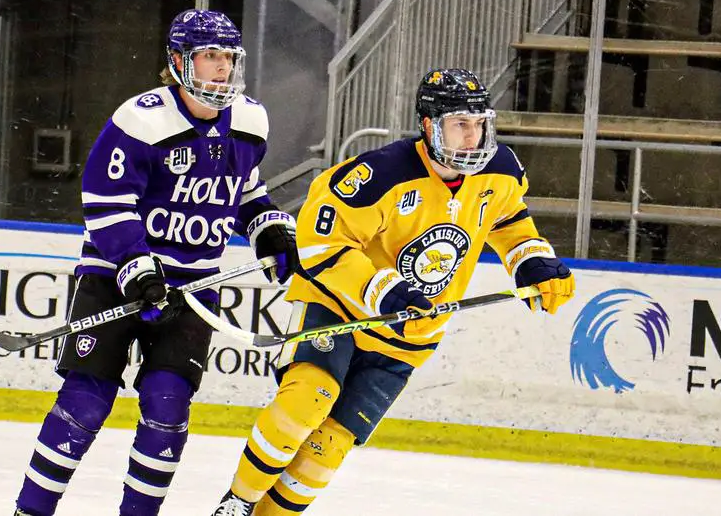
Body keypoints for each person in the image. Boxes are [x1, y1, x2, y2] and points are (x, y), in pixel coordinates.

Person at [211, 68, 576, 515]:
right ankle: (235, 503)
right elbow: (318, 242)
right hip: (341, 310)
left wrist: (530, 260)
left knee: (328, 448)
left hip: (411, 335)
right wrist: (386, 291)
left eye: (479, 123)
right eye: (460, 123)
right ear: (428, 125)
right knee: (307, 401)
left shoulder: (500, 170)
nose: (473, 136)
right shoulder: (379, 175)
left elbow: (507, 219)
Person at [13, 9, 300, 516]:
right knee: (85, 401)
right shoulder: (140, 119)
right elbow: (105, 202)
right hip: (114, 276)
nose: (221, 69)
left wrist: (267, 227)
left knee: (167, 406)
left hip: (193, 290)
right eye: (210, 57)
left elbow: (245, 188)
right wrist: (137, 267)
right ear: (177, 60)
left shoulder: (252, 120)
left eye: (229, 58)